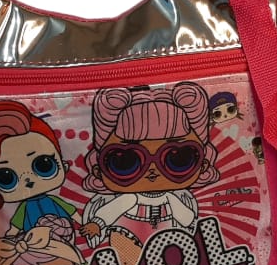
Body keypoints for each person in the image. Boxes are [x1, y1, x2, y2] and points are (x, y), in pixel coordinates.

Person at [80, 83, 219, 253]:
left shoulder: (174, 198)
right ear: (99, 170)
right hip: (127, 237)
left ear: (203, 165)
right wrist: (97, 223)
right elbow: (112, 210)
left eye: (178, 159)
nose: (152, 171)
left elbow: (187, 218)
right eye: (126, 162)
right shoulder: (129, 199)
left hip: (169, 241)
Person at [0, 100, 75, 234]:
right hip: (32, 241)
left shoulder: (52, 201)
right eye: (6, 178)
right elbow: (16, 226)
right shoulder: (24, 208)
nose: (28, 181)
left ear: (63, 165)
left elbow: (73, 213)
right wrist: (12, 234)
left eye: (44, 165)